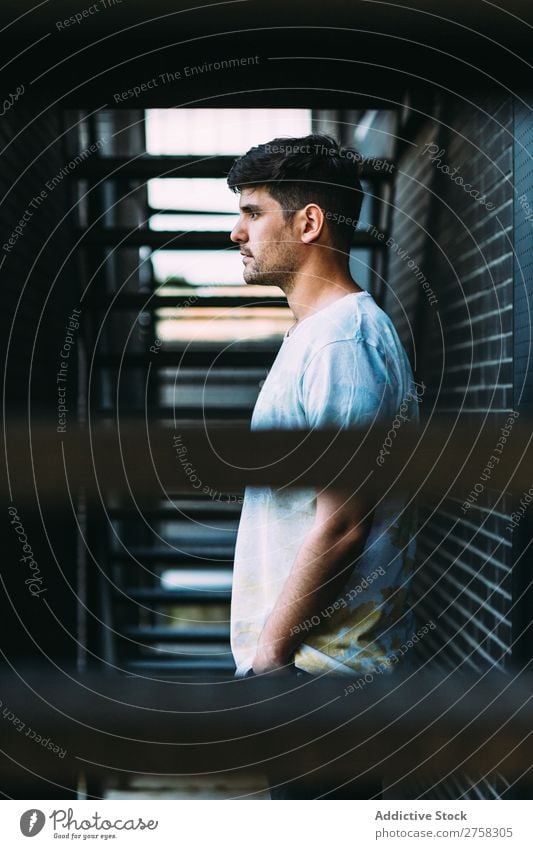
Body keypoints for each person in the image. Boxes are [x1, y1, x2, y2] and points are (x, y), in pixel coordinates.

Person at [226, 134, 420, 799]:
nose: (235, 232)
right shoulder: (317, 335)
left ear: (308, 222)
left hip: (326, 683)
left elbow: (343, 523)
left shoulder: (342, 342)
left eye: (252, 212)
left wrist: (270, 659)